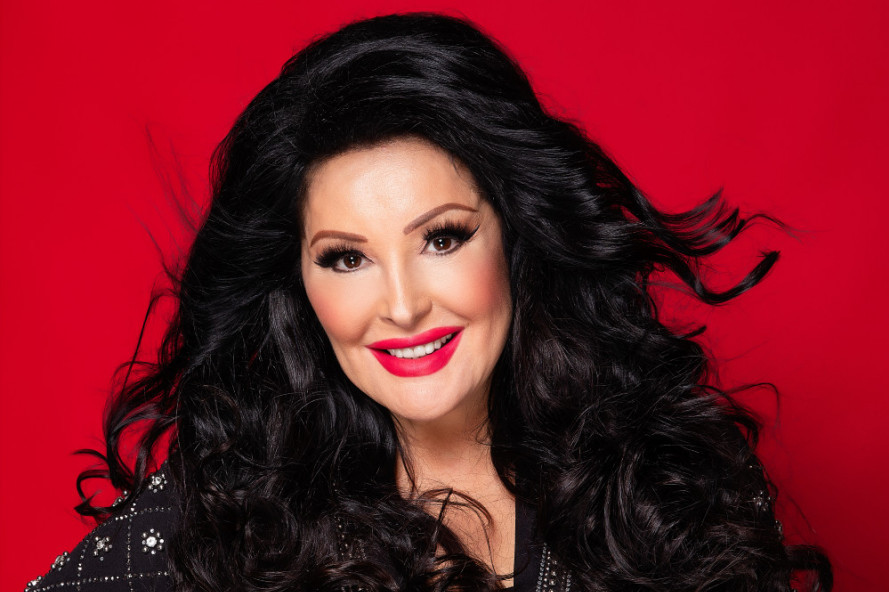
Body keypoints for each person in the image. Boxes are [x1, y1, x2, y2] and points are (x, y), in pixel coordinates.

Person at [26, 12, 831, 592]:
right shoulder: (228, 512)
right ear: (297, 285)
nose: (402, 305)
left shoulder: (670, 481)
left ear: (514, 235)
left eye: (441, 238)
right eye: (346, 258)